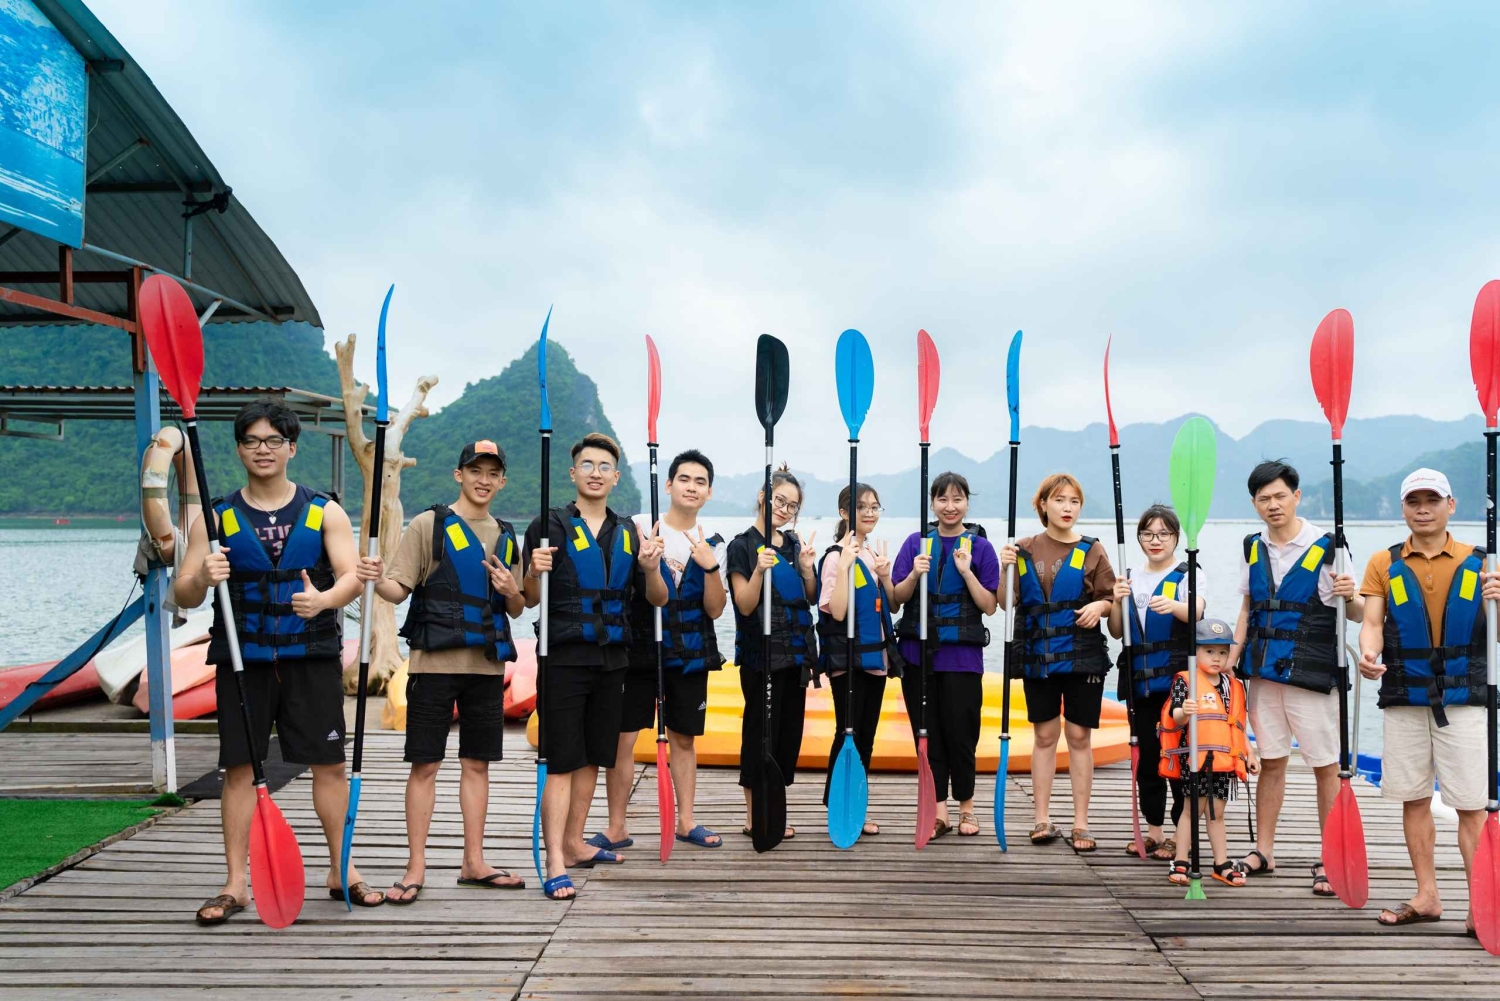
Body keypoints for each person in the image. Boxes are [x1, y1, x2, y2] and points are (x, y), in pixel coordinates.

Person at [176, 400, 380, 924]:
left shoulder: (324, 511)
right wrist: (203, 577)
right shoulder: (215, 518)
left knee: (329, 765)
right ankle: (235, 883)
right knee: (240, 768)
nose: (262, 450)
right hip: (244, 660)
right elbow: (183, 592)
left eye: (273, 441)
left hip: (309, 657)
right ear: (239, 449)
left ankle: (342, 869)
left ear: (291, 448)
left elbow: (351, 576)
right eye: (251, 441)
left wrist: (324, 600)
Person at [355, 440, 526, 903]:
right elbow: (397, 589)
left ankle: (474, 862)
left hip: (486, 669)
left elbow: (516, 607)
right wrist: (374, 577)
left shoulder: (506, 535)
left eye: (492, 473)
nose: (483, 480)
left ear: (502, 481)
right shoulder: (428, 525)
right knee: (425, 764)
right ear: (459, 474)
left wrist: (512, 589)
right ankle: (415, 867)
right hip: (433, 665)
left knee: (477, 764)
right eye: (475, 470)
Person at [523, 433, 667, 901]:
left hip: (612, 660)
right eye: (587, 465)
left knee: (592, 757)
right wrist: (533, 570)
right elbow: (528, 598)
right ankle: (554, 860)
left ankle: (575, 841)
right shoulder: (548, 525)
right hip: (564, 657)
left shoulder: (628, 531)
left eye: (605, 467)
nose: (596, 473)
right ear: (573, 473)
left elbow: (658, 598)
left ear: (616, 477)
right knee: (562, 760)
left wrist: (651, 568)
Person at [1356, 469, 1498, 932]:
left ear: (1450, 505)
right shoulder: (1383, 561)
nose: (1423, 509)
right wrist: (1368, 654)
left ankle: (1481, 906)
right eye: (1413, 501)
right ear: (1403, 508)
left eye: (1432, 500)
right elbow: (1372, 623)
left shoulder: (1483, 562)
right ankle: (1427, 895)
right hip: (1404, 693)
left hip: (1464, 697)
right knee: (1414, 798)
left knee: (1471, 805)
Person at [1231, 459, 1364, 894]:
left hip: (1312, 675)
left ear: (1297, 497)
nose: (1273, 505)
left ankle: (1331, 858)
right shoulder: (1252, 547)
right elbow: (1248, 609)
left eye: (1280, 496)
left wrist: (1351, 595)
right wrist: (1232, 658)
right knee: (1271, 761)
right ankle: (1264, 850)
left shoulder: (1330, 547)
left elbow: (1357, 612)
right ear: (1254, 503)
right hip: (1264, 674)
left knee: (1326, 766)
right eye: (1263, 498)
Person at [594, 449, 728, 853]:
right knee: (623, 739)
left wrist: (709, 566)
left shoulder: (713, 542)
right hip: (638, 654)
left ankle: (686, 821)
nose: (692, 487)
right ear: (668, 485)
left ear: (708, 493)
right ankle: (616, 827)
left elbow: (716, 609)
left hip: (688, 656)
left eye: (700, 482)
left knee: (683, 739)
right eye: (684, 479)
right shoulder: (637, 527)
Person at [998, 473, 1116, 852]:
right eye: (1060, 500)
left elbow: (1110, 598)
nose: (1067, 508)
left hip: (1083, 657)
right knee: (1045, 736)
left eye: (1074, 501)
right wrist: (1004, 567)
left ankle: (1081, 823)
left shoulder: (1093, 550)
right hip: (1038, 657)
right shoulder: (1023, 549)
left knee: (1079, 737)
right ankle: (1042, 818)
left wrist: (1100, 606)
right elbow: (1005, 602)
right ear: (1043, 505)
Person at [891, 472, 1000, 838]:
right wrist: (914, 574)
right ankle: (939, 812)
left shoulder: (980, 547)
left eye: (957, 499)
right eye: (942, 499)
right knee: (927, 736)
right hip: (918, 657)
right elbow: (896, 599)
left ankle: (967, 808)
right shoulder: (916, 543)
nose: (950, 507)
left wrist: (967, 573)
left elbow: (990, 605)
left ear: (967, 502)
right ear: (932, 503)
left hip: (962, 659)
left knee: (961, 735)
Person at [1106, 504, 1204, 860]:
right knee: (1147, 759)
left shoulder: (1188, 573)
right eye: (1147, 534)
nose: (1155, 540)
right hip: (1140, 686)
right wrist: (1116, 600)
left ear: (1176, 537)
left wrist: (1174, 606)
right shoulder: (1130, 577)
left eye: (1164, 534)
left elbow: (1197, 611)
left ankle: (1181, 834)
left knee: (1177, 758)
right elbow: (1117, 630)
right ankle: (1153, 832)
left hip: (1175, 687)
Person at [726, 465, 819, 839]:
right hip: (761, 659)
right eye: (780, 500)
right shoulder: (742, 547)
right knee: (758, 735)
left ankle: (776, 811)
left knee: (786, 736)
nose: (784, 509)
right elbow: (745, 604)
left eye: (792, 506)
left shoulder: (794, 545)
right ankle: (754, 817)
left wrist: (808, 569)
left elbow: (810, 597)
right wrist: (759, 571)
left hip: (794, 659)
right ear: (763, 497)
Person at [816, 482, 902, 836]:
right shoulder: (835, 557)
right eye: (861, 507)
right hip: (848, 662)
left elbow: (891, 606)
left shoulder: (872, 554)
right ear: (844, 512)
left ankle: (854, 804)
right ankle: (839, 802)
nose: (869, 513)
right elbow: (836, 612)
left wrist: (885, 576)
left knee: (865, 736)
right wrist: (845, 567)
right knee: (847, 732)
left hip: (875, 660)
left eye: (874, 506)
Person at [1160, 617, 1259, 887]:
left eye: (1223, 652)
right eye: (1210, 651)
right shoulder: (1186, 681)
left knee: (1216, 812)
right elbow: (1176, 716)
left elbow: (1236, 725)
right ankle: (1181, 859)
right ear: (1195, 651)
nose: (1217, 658)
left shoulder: (1232, 685)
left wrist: (1250, 754)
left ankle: (1221, 863)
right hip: (1195, 758)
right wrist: (1184, 711)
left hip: (1224, 760)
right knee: (1192, 809)